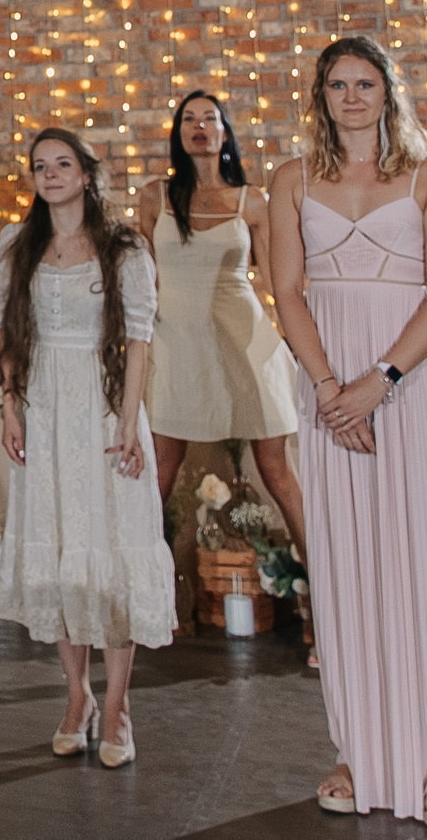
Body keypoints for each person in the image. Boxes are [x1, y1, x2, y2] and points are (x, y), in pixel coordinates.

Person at [265, 36, 427, 833]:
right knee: (345, 569)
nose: (352, 96)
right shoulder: (292, 180)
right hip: (329, 392)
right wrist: (328, 390)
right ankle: (354, 752)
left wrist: (376, 383)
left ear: (389, 92)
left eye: (365, 82)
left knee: (424, 567)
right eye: (337, 84)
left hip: (407, 386)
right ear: (320, 96)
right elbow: (287, 290)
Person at [0, 128, 173, 771]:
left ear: (87, 175)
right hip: (43, 409)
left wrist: (127, 421)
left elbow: (140, 338)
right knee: (62, 553)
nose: (50, 174)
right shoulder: (16, 244)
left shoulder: (123, 247)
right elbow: (10, 333)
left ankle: (118, 704)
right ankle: (78, 697)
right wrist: (10, 408)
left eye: (62, 163)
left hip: (102, 404)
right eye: (40, 166)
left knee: (113, 552)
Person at [134, 91, 307, 552]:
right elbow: (143, 279)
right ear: (178, 134)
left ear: (224, 133)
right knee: (161, 469)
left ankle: (326, 582)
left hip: (244, 337)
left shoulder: (252, 200)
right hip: (174, 340)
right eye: (189, 119)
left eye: (209, 118)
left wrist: (300, 340)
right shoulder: (154, 197)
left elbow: (277, 281)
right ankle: (142, 584)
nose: (199, 126)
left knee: (276, 469)